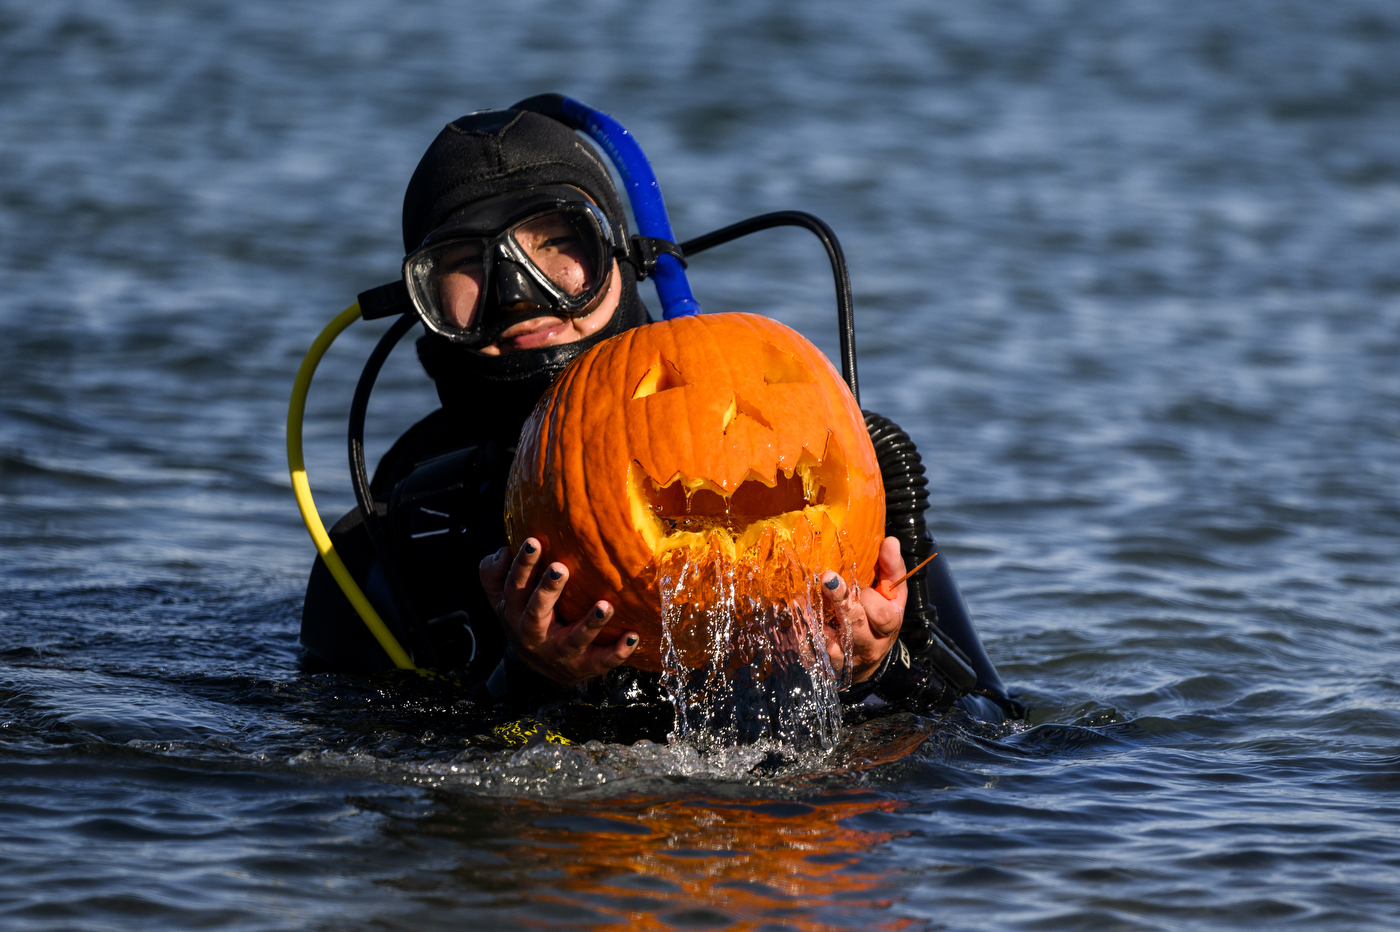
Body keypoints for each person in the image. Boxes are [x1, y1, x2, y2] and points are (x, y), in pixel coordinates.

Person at [300, 104, 1021, 729]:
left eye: (557, 242)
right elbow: (359, 770)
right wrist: (529, 680)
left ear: (623, 257)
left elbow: (995, 729)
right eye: (464, 263)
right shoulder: (388, 550)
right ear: (423, 310)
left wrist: (876, 669)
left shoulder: (858, 475)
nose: (520, 292)